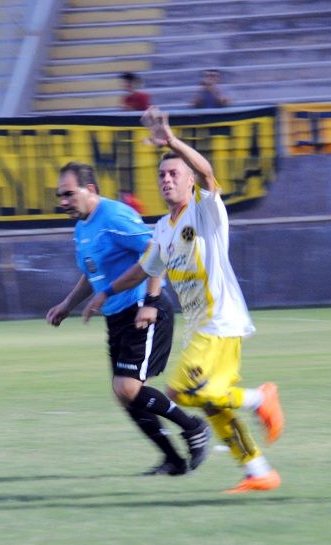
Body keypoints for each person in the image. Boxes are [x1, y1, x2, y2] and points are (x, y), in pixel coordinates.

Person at [82, 107, 284, 494]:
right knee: (210, 403)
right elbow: (143, 269)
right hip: (202, 327)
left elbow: (208, 174)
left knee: (180, 392)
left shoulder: (205, 212)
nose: (166, 179)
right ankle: (258, 471)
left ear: (190, 181)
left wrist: (172, 141)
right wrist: (105, 292)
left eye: (174, 173)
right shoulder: (163, 228)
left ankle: (260, 398)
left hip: (220, 321)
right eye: (162, 175)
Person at [47, 161, 210, 477]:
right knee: (126, 396)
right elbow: (91, 273)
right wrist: (67, 305)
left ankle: (193, 427)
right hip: (117, 317)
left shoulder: (114, 216)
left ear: (89, 190)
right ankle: (174, 461)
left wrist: (150, 301)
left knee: (127, 388)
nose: (63, 201)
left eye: (68, 194)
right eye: (60, 196)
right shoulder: (82, 227)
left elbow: (156, 251)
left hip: (142, 311)